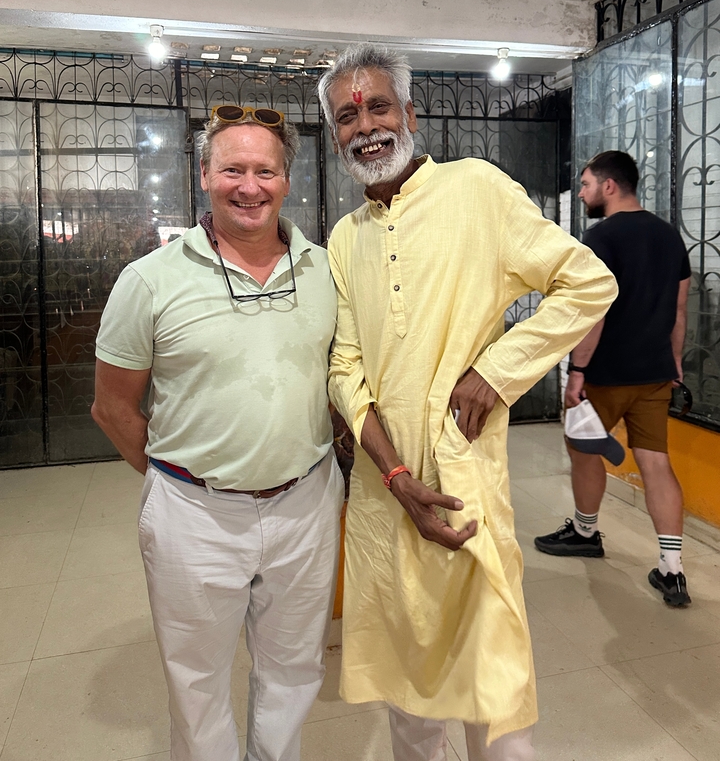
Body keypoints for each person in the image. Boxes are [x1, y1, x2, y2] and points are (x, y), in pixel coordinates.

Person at [318, 44, 618, 761]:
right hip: (384, 490)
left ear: (410, 113)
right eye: (347, 115)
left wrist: (498, 371)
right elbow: (345, 367)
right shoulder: (343, 238)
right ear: (335, 135)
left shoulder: (476, 189)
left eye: (378, 106)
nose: (366, 126)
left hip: (463, 475)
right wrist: (393, 477)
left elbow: (588, 282)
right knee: (405, 686)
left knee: (493, 682)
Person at [91, 105, 344, 761]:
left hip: (307, 503)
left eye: (265, 171)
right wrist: (184, 482)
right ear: (204, 175)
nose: (249, 186)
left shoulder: (325, 272)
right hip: (192, 513)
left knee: (294, 673)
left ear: (289, 181)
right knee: (197, 681)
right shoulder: (150, 280)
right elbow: (113, 408)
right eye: (233, 168)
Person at [534, 151, 693, 607]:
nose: (581, 192)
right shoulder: (669, 237)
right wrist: (675, 362)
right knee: (656, 463)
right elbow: (680, 311)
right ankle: (672, 570)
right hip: (654, 373)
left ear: (608, 186)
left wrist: (576, 371)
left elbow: (593, 310)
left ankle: (585, 531)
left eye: (585, 184)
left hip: (606, 372)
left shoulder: (601, 238)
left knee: (583, 449)